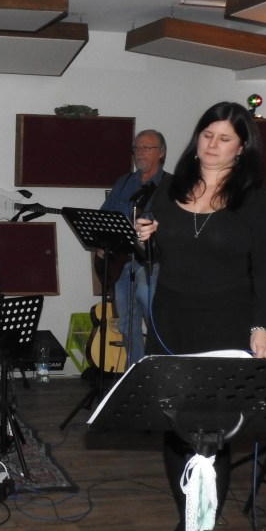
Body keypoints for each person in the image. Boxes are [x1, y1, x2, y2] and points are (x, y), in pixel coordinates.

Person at [135, 102, 266, 531]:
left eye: (224, 138)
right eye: (207, 134)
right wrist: (143, 239)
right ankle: (186, 524)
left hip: (226, 325)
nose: (212, 144)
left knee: (213, 436)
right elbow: (156, 252)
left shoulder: (256, 199)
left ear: (242, 147)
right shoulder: (170, 188)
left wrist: (262, 328)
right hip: (171, 323)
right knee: (175, 429)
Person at [97, 129, 169, 367]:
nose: (140, 152)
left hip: (151, 264)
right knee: (126, 323)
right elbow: (105, 216)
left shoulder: (171, 186)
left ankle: (159, 369)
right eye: (137, 148)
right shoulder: (124, 183)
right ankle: (135, 373)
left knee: (153, 317)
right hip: (121, 263)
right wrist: (101, 242)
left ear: (161, 153)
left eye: (146, 147)